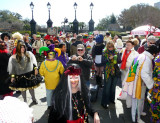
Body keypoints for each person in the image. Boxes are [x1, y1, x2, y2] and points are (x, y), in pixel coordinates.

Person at [122, 45, 158, 123]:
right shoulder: (147, 59)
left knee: (139, 100)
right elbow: (144, 74)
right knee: (137, 100)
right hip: (139, 83)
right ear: (154, 54)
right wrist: (152, 84)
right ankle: (136, 118)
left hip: (136, 81)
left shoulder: (141, 55)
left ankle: (139, 113)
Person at [39, 44, 64, 109]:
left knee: (49, 93)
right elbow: (62, 71)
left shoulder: (43, 63)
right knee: (56, 93)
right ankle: (56, 104)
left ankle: (49, 105)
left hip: (48, 81)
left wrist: (45, 74)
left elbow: (41, 73)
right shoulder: (58, 62)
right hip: (56, 81)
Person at [101, 41, 120, 109]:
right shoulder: (104, 52)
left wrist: (116, 58)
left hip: (115, 71)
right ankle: (104, 102)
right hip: (107, 71)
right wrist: (108, 59)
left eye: (111, 46)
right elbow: (102, 61)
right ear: (107, 47)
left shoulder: (116, 52)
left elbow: (119, 61)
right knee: (107, 87)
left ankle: (112, 99)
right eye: (109, 47)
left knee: (113, 87)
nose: (110, 48)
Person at [148, 54, 160, 123]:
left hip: (156, 88)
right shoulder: (157, 60)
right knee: (155, 106)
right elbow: (154, 74)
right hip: (156, 89)